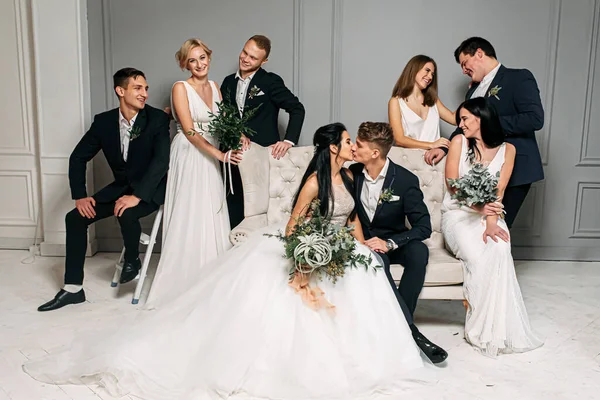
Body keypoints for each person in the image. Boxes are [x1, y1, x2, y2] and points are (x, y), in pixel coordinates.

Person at [24, 123, 433, 399]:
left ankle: (398, 342)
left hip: (335, 245)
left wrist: (358, 246)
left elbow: (354, 220)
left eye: (356, 143)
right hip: (305, 244)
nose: (353, 146)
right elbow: (293, 227)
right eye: (348, 141)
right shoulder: (315, 181)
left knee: (363, 281)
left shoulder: (349, 176)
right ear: (334, 147)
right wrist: (312, 251)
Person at [36, 68, 170, 312]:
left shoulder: (157, 120)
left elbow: (161, 162)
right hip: (120, 188)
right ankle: (73, 289)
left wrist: (137, 196)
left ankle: (132, 260)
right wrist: (80, 196)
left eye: (146, 89)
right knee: (74, 218)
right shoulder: (104, 122)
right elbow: (78, 157)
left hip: (151, 188)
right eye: (138, 88)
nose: (144, 94)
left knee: (127, 212)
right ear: (121, 91)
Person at [442, 97, 543, 357]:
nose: (460, 125)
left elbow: (498, 192)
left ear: (481, 118)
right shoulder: (458, 143)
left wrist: (490, 223)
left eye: (465, 119)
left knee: (499, 249)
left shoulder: (508, 150)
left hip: (491, 215)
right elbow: (453, 184)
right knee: (478, 257)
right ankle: (478, 328)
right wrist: (478, 209)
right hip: (458, 215)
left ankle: (497, 330)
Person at [144, 39, 242, 308]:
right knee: (191, 211)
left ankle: (212, 276)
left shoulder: (215, 87)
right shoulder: (180, 88)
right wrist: (220, 154)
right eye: (192, 60)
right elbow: (188, 131)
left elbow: (222, 124)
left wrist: (237, 138)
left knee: (211, 209)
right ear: (184, 64)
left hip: (211, 153)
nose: (199, 64)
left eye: (202, 58)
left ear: (209, 57)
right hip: (189, 154)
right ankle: (183, 278)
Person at [350, 122, 448, 364]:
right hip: (366, 243)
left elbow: (423, 226)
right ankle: (411, 332)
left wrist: (391, 242)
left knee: (419, 253)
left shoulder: (404, 180)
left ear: (375, 153)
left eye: (359, 144)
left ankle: (401, 321)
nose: (353, 147)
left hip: (395, 240)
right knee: (377, 261)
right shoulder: (351, 174)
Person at [425, 37, 544, 228]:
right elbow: (465, 125)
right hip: (480, 169)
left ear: (479, 53)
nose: (463, 71)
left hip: (517, 166)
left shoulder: (518, 77)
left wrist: (489, 125)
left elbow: (534, 118)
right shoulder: (472, 92)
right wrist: (446, 148)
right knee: (477, 226)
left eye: (465, 63)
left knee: (498, 225)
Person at [221, 34, 305, 228]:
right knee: (233, 205)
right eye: (245, 52)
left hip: (261, 157)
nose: (245, 59)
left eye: (253, 58)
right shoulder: (227, 82)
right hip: (233, 155)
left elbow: (297, 109)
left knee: (258, 209)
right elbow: (224, 116)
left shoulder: (270, 82)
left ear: (264, 61)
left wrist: (288, 141)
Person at [388, 55, 454, 150]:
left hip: (434, 160)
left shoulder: (433, 100)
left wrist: (474, 92)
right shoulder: (396, 102)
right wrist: (431, 145)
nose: (430, 77)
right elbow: (399, 139)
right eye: (427, 70)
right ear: (414, 69)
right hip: (408, 161)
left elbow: (454, 119)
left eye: (432, 74)